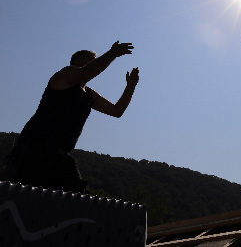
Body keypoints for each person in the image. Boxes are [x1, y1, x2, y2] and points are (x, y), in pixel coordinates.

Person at [1, 41, 139, 192]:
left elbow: (116, 111)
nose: (95, 62)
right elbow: (88, 72)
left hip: (61, 156)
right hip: (34, 150)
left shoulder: (89, 94)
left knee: (77, 202)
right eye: (91, 59)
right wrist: (112, 53)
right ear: (77, 62)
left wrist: (130, 87)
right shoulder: (65, 75)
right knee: (22, 199)